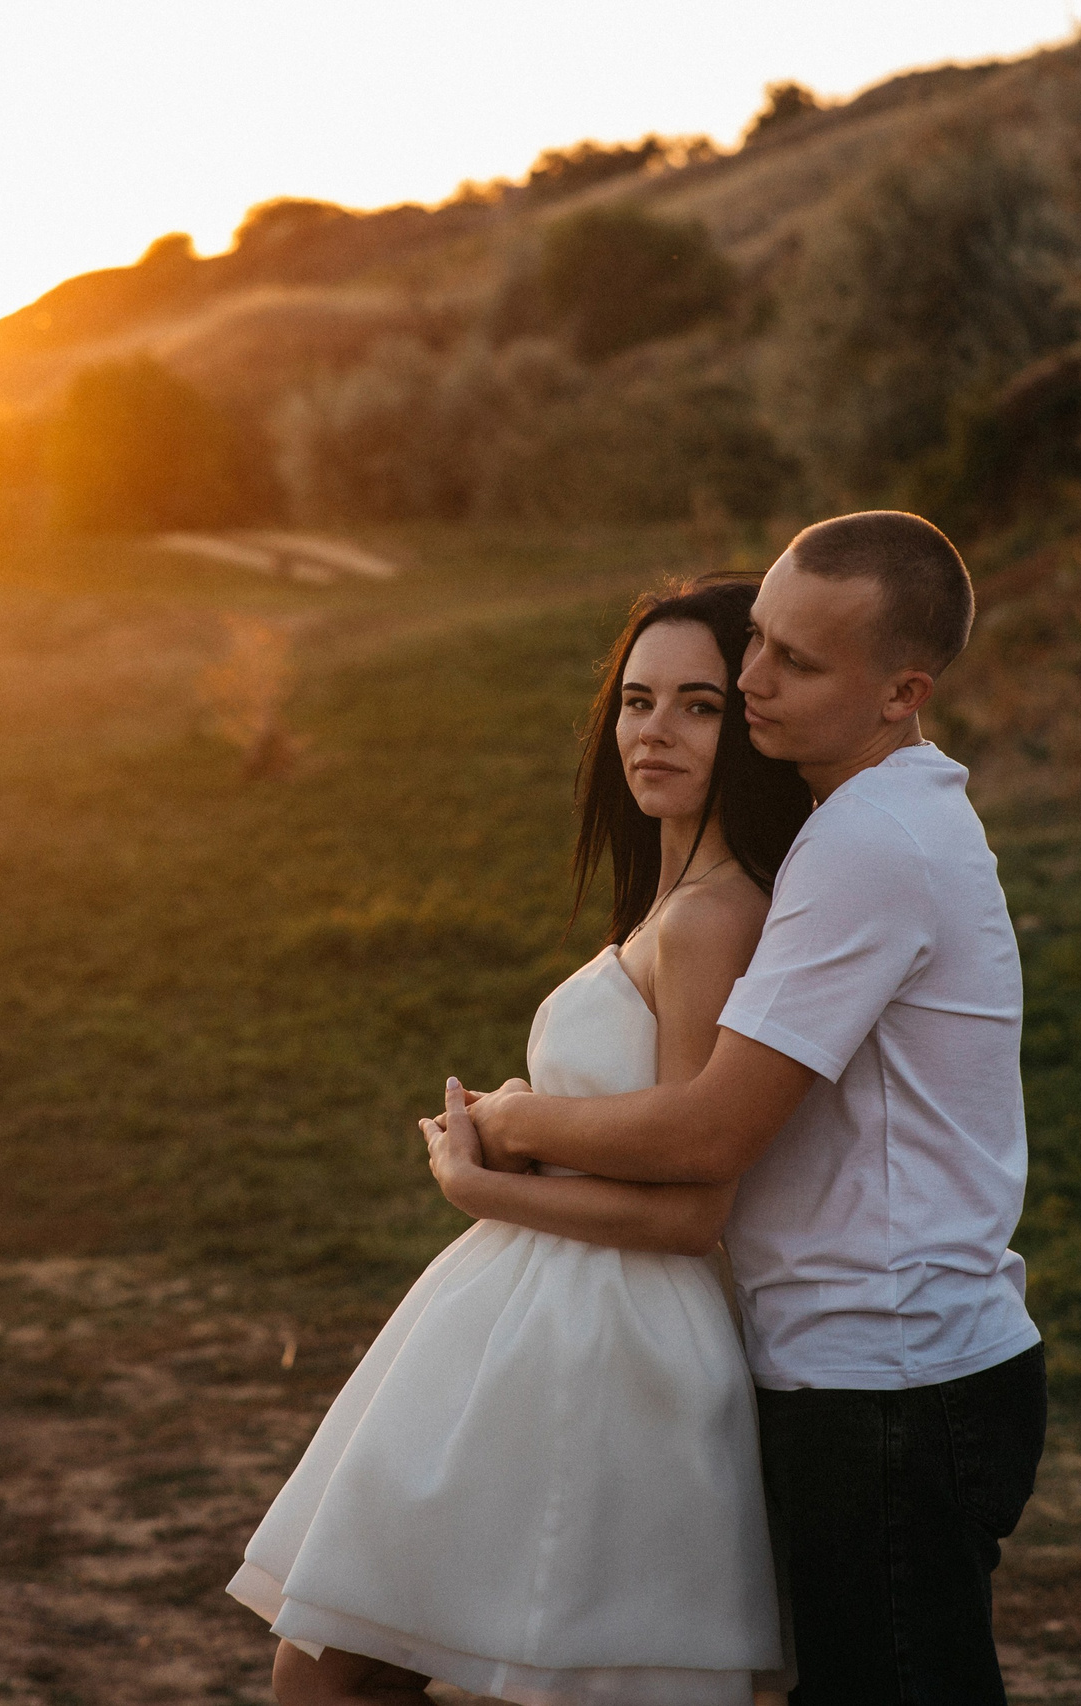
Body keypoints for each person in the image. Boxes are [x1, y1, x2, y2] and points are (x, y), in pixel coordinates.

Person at [466, 511, 1048, 1705]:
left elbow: (709, 1130)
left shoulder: (869, 843)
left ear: (902, 691)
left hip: (889, 1381)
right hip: (888, 1369)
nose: (753, 678)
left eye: (796, 661)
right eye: (761, 642)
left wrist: (511, 1125)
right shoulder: (885, 821)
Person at [227, 579, 814, 1706]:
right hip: (542, 1327)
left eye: (699, 704)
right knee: (340, 1656)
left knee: (355, 1668)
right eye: (637, 701)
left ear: (751, 718)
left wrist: (480, 1182)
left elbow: (694, 1209)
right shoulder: (667, 901)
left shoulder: (713, 916)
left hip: (615, 1342)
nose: (654, 729)